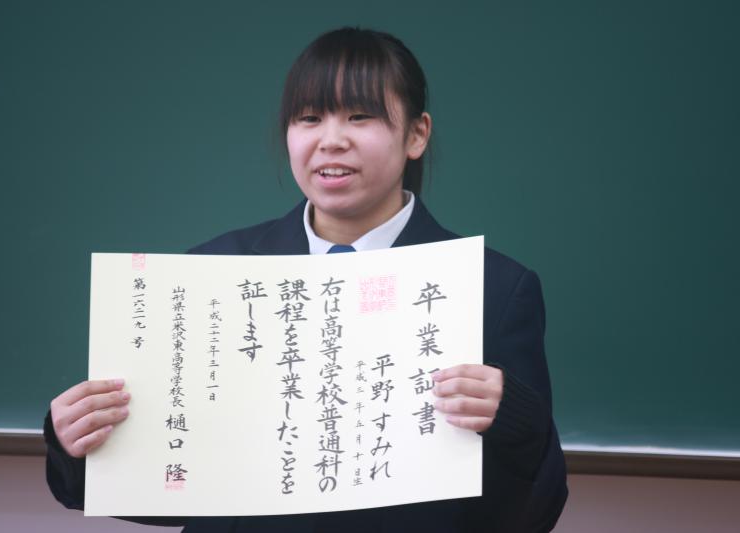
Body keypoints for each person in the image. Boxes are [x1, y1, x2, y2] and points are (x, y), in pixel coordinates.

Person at [45, 27, 568, 532]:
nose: (331, 140)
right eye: (310, 118)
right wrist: (78, 444)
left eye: (360, 116)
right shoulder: (212, 274)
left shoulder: (494, 288)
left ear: (416, 134)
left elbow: (532, 514)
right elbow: (169, 489)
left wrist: (513, 420)